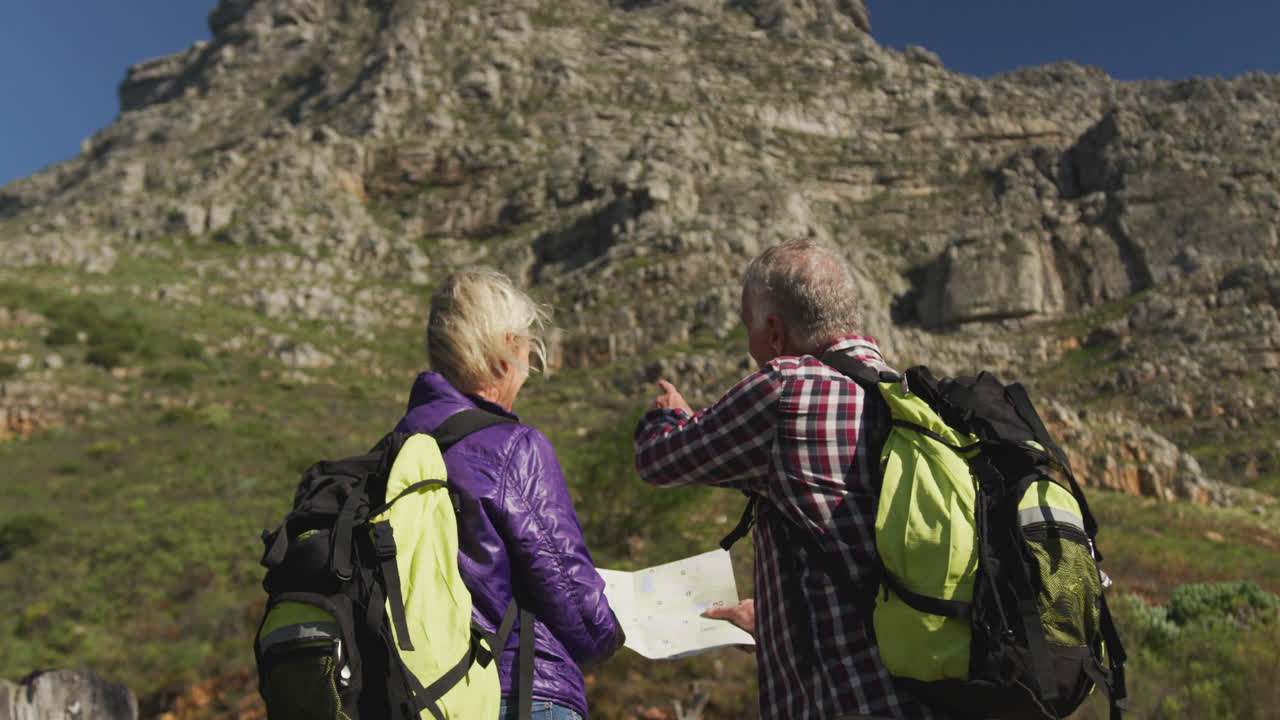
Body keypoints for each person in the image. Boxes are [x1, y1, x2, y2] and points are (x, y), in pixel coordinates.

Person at [633, 238, 947, 720]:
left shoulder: (786, 391)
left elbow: (658, 460)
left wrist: (668, 417)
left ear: (775, 332)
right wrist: (777, 622)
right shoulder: (913, 399)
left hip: (847, 701)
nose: (750, 347)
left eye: (750, 331)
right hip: (930, 693)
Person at [396, 266, 623, 720]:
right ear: (506, 351)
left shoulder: (394, 452)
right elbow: (578, 609)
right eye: (526, 348)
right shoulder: (513, 449)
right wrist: (618, 632)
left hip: (418, 698)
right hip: (518, 694)